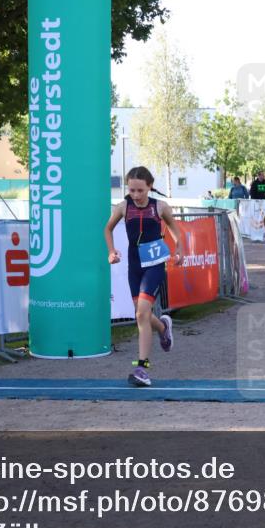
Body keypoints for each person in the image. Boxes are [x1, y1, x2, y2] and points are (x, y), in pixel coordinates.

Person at [104, 166, 184, 388]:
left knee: (141, 313)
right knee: (143, 315)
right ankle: (162, 328)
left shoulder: (160, 206)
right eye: (132, 190)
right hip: (134, 265)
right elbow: (107, 229)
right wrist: (111, 251)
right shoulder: (123, 207)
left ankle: (142, 368)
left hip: (155, 264)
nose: (136, 195)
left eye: (140, 190)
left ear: (149, 187)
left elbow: (176, 230)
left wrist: (180, 250)